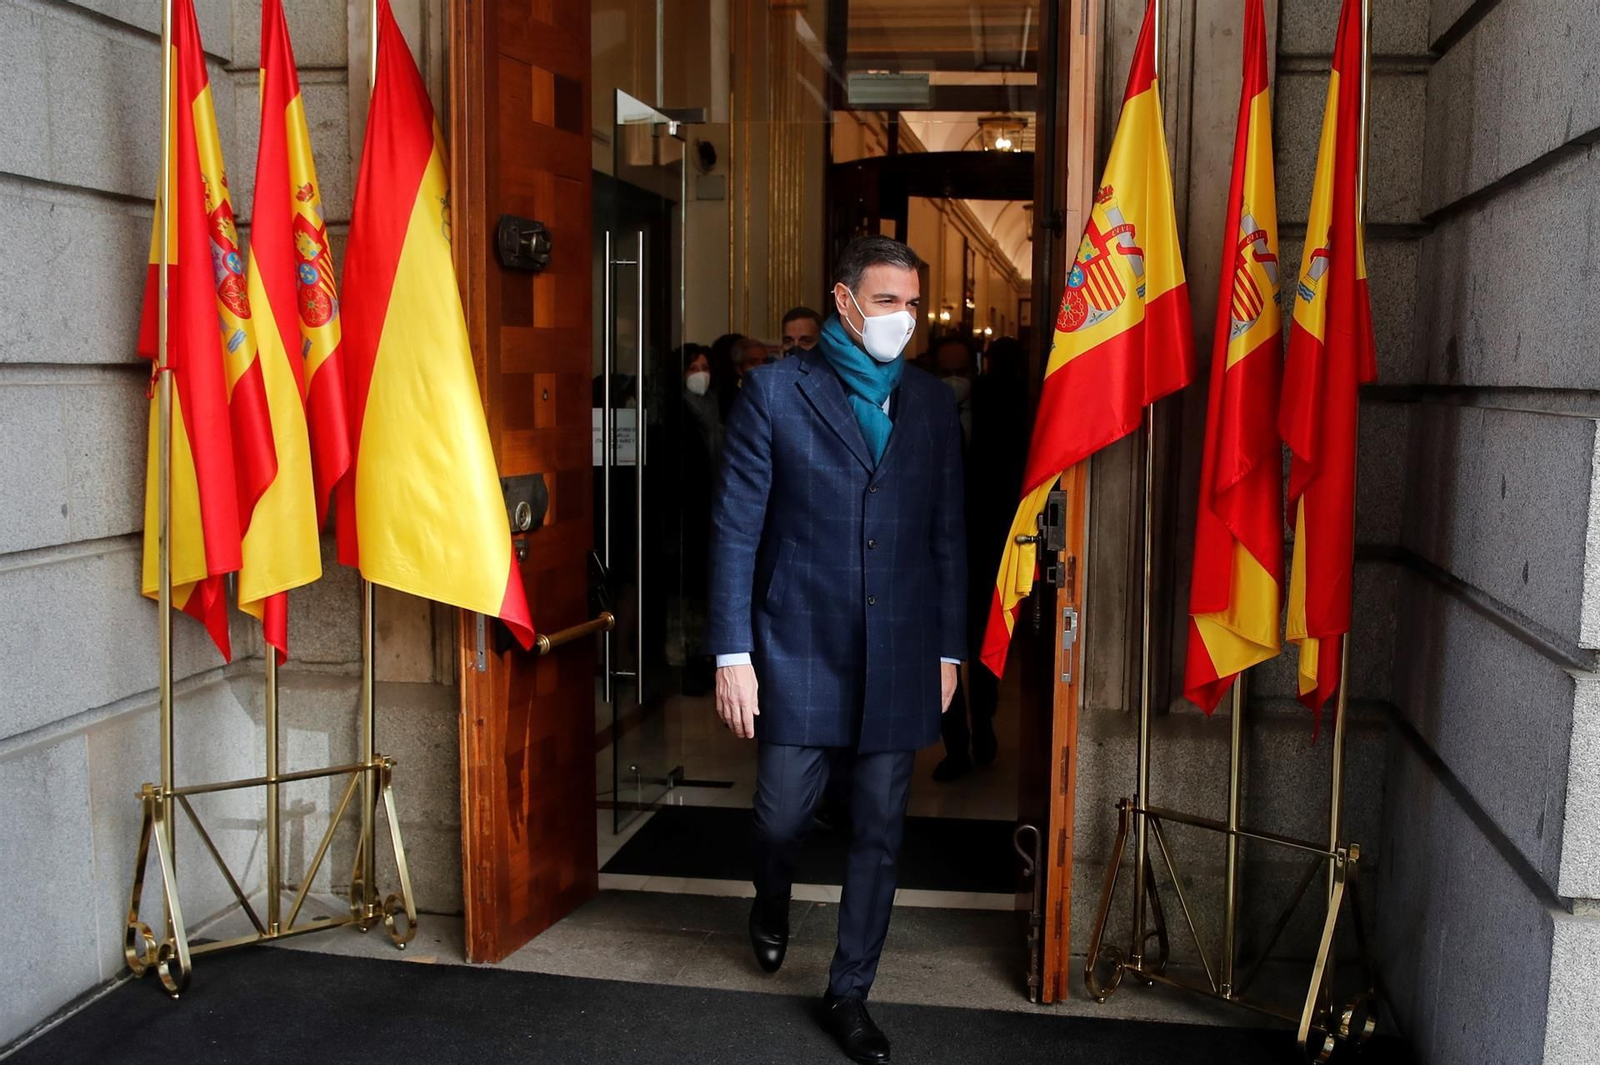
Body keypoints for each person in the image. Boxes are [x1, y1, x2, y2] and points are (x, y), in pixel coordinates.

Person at [708, 236, 965, 1065]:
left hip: (898, 651)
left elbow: (947, 535)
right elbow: (736, 528)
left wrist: (949, 648)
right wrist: (730, 652)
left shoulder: (929, 404)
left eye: (914, 304)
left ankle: (850, 990)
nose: (905, 318)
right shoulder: (777, 393)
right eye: (888, 301)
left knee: (879, 829)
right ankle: (772, 898)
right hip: (799, 646)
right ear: (845, 302)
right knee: (781, 814)